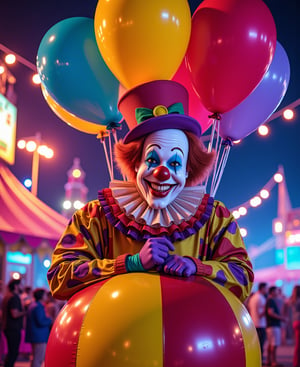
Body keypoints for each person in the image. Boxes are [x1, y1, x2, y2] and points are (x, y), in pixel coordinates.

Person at [47, 80, 254, 305]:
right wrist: (129, 263)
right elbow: (59, 276)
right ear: (136, 164)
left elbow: (242, 277)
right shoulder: (95, 215)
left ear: (187, 170)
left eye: (175, 163)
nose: (161, 173)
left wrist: (196, 267)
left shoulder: (215, 217)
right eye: (152, 159)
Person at [25, 288, 52, 367]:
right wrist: (50, 320)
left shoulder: (33, 305)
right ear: (41, 296)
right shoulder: (38, 307)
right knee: (38, 359)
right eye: (45, 295)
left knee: (35, 358)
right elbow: (41, 321)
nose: (46, 297)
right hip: (39, 336)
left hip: (35, 335)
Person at [1, 278, 25, 367]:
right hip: (13, 328)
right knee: (13, 352)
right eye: (21, 285)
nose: (22, 287)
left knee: (11, 352)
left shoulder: (7, 296)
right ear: (16, 286)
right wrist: (25, 311)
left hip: (8, 327)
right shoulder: (14, 297)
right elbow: (15, 314)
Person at [247, 282, 268, 363]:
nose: (266, 290)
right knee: (260, 344)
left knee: (257, 344)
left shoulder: (253, 297)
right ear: (262, 288)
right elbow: (260, 314)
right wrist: (266, 310)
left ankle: (257, 359)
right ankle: (260, 360)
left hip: (254, 323)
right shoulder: (260, 298)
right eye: (266, 288)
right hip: (260, 324)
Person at [265, 286, 286, 367]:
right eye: (277, 291)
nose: (278, 292)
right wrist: (282, 318)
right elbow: (270, 312)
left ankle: (269, 360)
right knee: (274, 344)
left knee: (271, 344)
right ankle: (273, 361)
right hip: (273, 325)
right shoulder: (271, 301)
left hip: (270, 325)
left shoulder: (269, 300)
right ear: (272, 292)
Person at [289, 285, 300, 367]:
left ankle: (296, 362)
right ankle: (296, 363)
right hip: (299, 321)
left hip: (295, 321)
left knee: (297, 343)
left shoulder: (293, 300)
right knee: (298, 344)